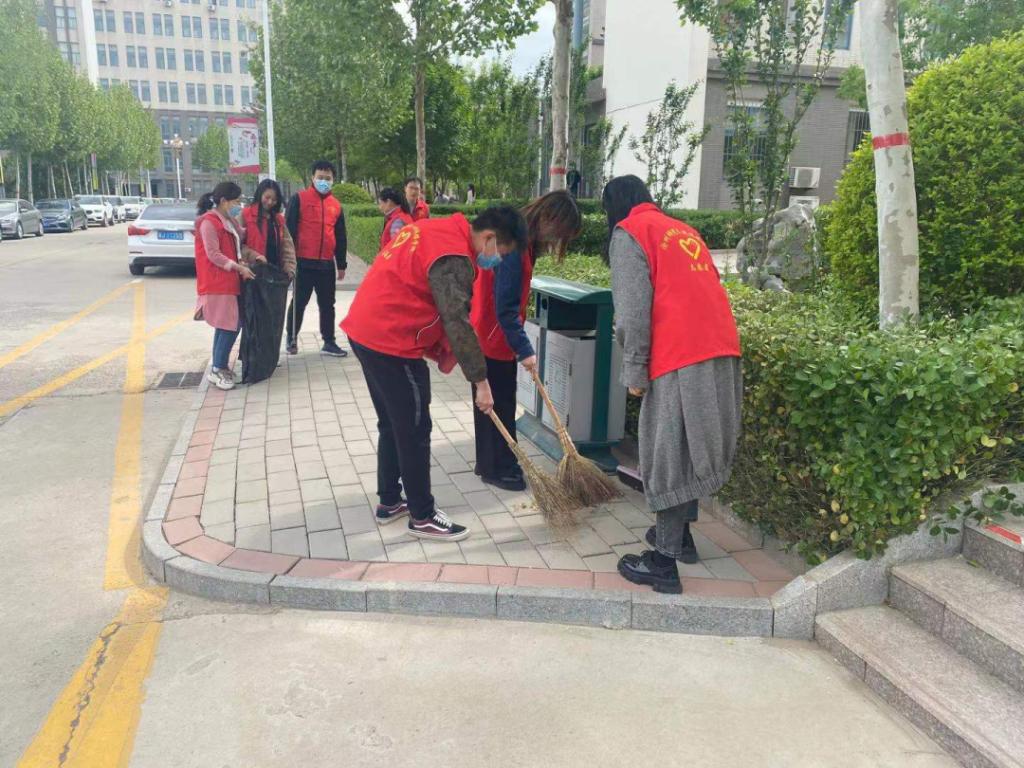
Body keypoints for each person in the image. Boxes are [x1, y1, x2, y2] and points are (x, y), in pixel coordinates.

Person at [341, 206, 528, 542]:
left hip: (365, 329)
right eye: (501, 252)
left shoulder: (437, 229)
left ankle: (389, 501)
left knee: (393, 422)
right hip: (391, 339)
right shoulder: (454, 256)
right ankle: (423, 515)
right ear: (489, 238)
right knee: (414, 428)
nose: (498, 260)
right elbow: (457, 321)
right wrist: (481, 382)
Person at [604, 175, 742, 595]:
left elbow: (632, 313)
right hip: (722, 350)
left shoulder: (630, 232)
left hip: (680, 355)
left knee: (667, 452)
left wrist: (634, 371)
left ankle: (663, 564)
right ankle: (680, 539)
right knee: (689, 449)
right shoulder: (683, 231)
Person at [470, 191, 582, 490]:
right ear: (548, 218)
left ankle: (491, 464)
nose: (555, 240)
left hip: (487, 331)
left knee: (492, 403)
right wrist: (525, 349)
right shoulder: (515, 249)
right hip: (494, 335)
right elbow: (505, 308)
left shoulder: (514, 236)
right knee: (499, 404)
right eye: (558, 233)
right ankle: (498, 468)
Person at [194, 181, 254, 391]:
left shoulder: (226, 220)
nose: (238, 205)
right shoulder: (208, 223)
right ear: (223, 201)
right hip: (217, 281)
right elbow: (213, 254)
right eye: (236, 201)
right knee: (231, 325)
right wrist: (238, 267)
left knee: (225, 325)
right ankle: (218, 368)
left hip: (228, 281)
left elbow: (242, 235)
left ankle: (218, 366)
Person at [285, 160, 348, 357]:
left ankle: (329, 342)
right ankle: (291, 339)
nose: (324, 181)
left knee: (327, 305)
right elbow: (288, 231)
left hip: (326, 264)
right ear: (312, 177)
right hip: (303, 262)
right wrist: (288, 260)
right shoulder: (299, 199)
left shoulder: (336, 205)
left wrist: (341, 264)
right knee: (299, 303)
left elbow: (340, 236)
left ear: (333, 180)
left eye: (327, 178)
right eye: (320, 177)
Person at [239, 179, 296, 382]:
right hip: (253, 275)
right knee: (254, 319)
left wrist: (290, 267)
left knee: (273, 319)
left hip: (274, 277)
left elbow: (287, 245)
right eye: (267, 197)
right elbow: (237, 245)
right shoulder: (245, 216)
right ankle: (252, 358)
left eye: (274, 199)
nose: (270, 202)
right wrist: (254, 256)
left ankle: (269, 356)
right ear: (260, 195)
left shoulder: (278, 220)